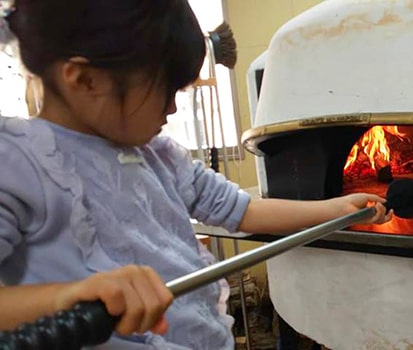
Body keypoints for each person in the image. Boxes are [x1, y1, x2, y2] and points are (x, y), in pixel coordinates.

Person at [0, 0, 391, 349]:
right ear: (85, 80)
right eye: (164, 91)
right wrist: (67, 297)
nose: (171, 109)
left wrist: (335, 208)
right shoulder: (19, 162)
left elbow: (242, 212)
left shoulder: (159, 156)